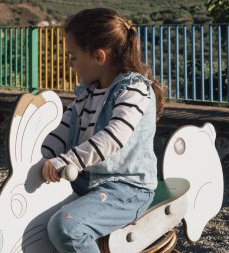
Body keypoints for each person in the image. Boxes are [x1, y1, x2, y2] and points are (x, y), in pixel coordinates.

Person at [41, 7, 165, 253]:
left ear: (99, 56)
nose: (69, 64)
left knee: (67, 228)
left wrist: (67, 160)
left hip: (127, 188)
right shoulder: (87, 91)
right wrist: (40, 159)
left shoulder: (134, 89)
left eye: (73, 57)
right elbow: (62, 130)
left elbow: (113, 136)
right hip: (88, 182)